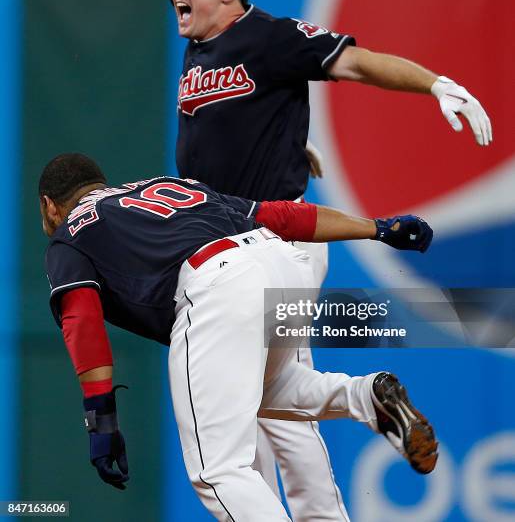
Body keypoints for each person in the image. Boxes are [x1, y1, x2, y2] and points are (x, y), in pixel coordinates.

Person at [154, 0, 492, 520]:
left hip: (276, 245)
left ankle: (353, 426)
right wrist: (287, 137)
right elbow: (229, 129)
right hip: (242, 245)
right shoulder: (202, 48)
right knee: (273, 401)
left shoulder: (270, 36)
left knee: (267, 401)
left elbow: (357, 62)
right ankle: (359, 415)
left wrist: (434, 83)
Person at [40, 153, 436, 521]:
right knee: (271, 388)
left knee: (218, 471)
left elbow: (82, 319)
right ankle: (365, 396)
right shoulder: (169, 186)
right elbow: (279, 215)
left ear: (49, 206)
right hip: (279, 263)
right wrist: (377, 228)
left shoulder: (69, 233)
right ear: (100, 183)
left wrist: (101, 419)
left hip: (216, 285)